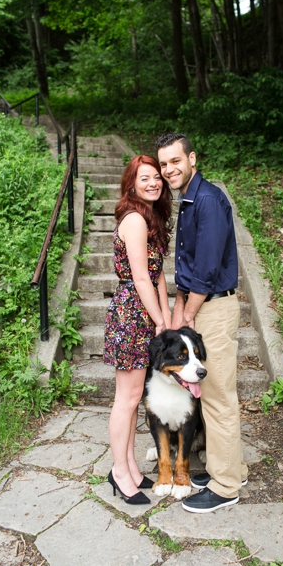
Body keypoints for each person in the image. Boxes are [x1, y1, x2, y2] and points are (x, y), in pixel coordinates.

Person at [155, 132, 248, 513]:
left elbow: (207, 271)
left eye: (175, 161)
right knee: (216, 396)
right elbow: (191, 267)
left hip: (213, 306)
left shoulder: (207, 200)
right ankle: (233, 469)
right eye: (163, 164)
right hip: (201, 303)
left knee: (218, 400)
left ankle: (226, 488)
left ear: (192, 158)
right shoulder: (189, 199)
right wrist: (182, 307)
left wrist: (187, 315)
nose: (169, 169)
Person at [104, 154, 173, 505]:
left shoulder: (150, 217)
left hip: (143, 311)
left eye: (156, 178)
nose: (153, 183)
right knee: (127, 399)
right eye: (144, 178)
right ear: (131, 183)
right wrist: (159, 320)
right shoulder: (133, 219)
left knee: (134, 400)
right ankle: (119, 472)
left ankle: (130, 466)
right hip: (132, 314)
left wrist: (166, 314)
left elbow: (158, 273)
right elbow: (141, 277)